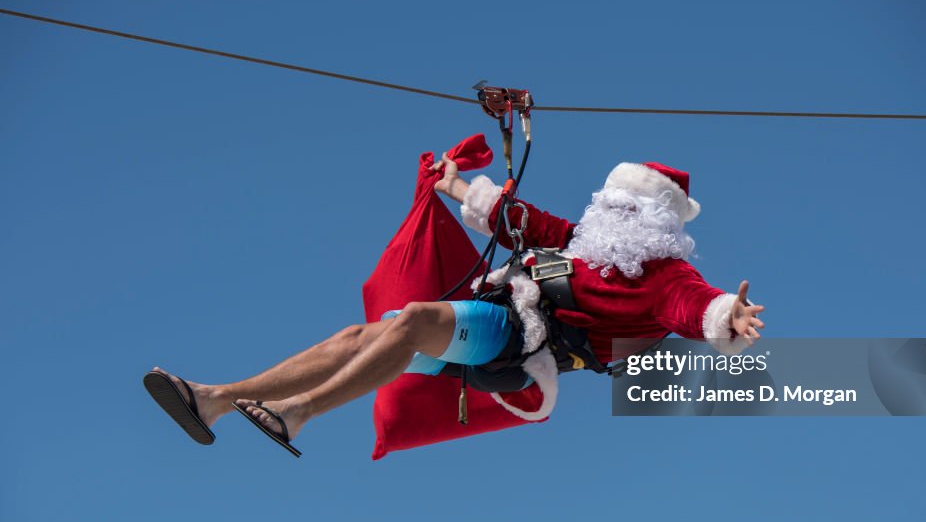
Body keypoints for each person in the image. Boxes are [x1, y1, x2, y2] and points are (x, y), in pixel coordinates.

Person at [143, 151, 765, 456]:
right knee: (360, 337)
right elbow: (510, 216)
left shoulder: (664, 274)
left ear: (657, 222)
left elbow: (695, 306)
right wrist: (453, 181)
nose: (613, 212)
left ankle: (299, 411)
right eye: (612, 201)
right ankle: (215, 400)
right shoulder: (581, 239)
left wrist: (726, 318)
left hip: (524, 342)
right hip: (495, 334)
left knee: (412, 319)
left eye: (630, 206)